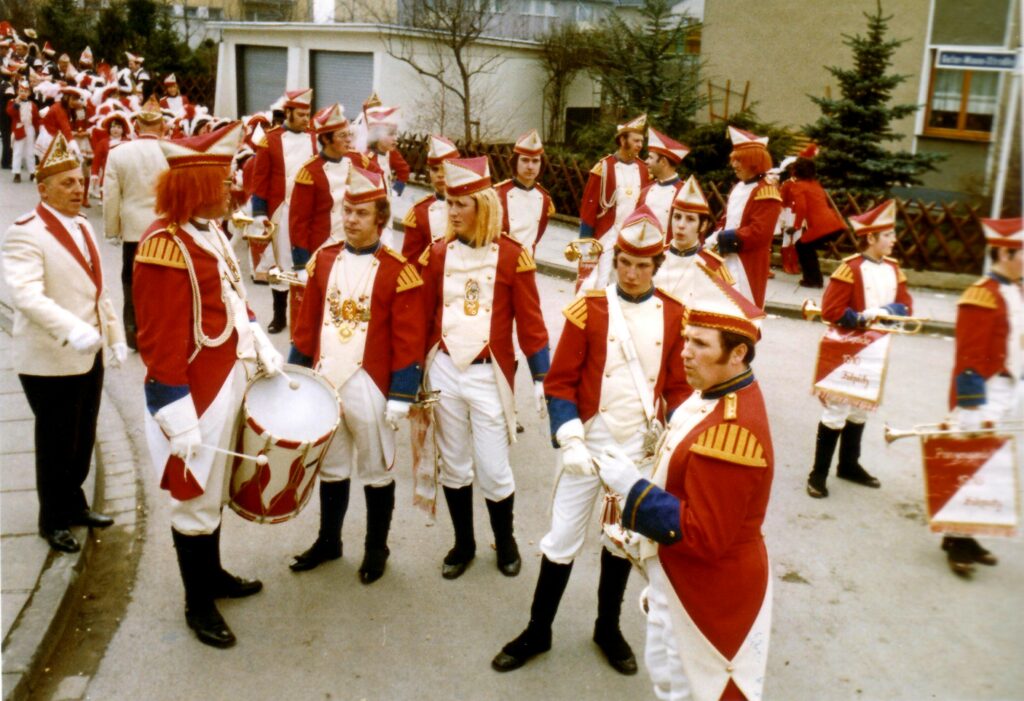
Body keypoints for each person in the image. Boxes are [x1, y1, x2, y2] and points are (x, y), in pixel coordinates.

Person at [492, 205, 690, 676]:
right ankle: (539, 630)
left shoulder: (675, 314)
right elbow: (560, 382)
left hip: (640, 448)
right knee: (561, 538)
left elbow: (679, 387)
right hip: (590, 444)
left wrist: (681, 431)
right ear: (614, 260)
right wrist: (570, 438)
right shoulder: (590, 308)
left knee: (620, 539)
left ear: (657, 265)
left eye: (644, 265)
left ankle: (607, 627)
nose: (634, 273)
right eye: (626, 262)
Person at [133, 122, 283, 649]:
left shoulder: (210, 231)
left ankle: (212, 575)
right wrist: (175, 415)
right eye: (221, 183)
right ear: (195, 187)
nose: (231, 190)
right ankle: (197, 603)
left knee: (214, 491)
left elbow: (231, 296)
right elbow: (157, 342)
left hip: (226, 381)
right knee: (193, 500)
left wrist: (257, 339)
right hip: (194, 395)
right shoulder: (163, 247)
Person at [595, 262, 773, 701]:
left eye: (700, 344)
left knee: (687, 691)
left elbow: (703, 535)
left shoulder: (732, 430)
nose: (685, 353)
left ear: (738, 354)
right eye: (687, 339)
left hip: (705, 597)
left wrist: (632, 488)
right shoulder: (713, 395)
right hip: (678, 582)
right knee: (667, 683)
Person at [287, 166, 426, 583]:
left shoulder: (400, 270)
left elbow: (408, 339)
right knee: (330, 467)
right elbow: (307, 325)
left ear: (380, 219)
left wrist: (402, 394)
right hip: (327, 376)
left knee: (376, 469)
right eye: (347, 211)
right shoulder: (323, 260)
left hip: (370, 382)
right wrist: (294, 376)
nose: (350, 220)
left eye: (361, 213)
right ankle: (330, 541)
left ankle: (375, 547)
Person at [419, 156, 550, 580]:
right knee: (454, 463)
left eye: (461, 204)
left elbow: (531, 322)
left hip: (487, 372)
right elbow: (422, 318)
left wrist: (541, 376)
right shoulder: (437, 253)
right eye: (449, 203)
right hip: (444, 368)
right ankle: (464, 542)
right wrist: (406, 382)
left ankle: (506, 539)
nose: (452, 211)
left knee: (494, 467)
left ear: (484, 206)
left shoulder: (513, 256)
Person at [2, 133, 124, 553]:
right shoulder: (26, 234)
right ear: (43, 189)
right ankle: (51, 520)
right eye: (67, 183)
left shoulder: (83, 225)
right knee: (56, 441)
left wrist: (115, 336)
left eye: (80, 180)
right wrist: (71, 329)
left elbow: (97, 290)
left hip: (89, 354)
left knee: (83, 436)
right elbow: (26, 296)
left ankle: (74, 503)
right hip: (49, 358)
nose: (79, 189)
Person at [807, 199, 913, 499]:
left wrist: (885, 310)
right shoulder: (850, 267)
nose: (894, 240)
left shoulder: (894, 269)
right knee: (837, 410)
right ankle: (818, 473)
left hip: (875, 348)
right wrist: (860, 318)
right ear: (871, 238)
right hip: (845, 348)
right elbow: (831, 309)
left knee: (860, 408)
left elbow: (906, 305)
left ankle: (849, 464)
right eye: (888, 235)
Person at [941, 217, 1023, 577]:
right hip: (984, 392)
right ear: (1005, 252)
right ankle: (956, 539)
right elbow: (969, 357)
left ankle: (965, 533)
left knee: (990, 466)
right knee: (970, 464)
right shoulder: (981, 294)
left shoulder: (1016, 291)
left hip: (1010, 388)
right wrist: (970, 407)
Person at [250, 88, 317, 333]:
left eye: (308, 114)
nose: (305, 119)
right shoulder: (270, 139)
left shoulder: (314, 139)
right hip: (282, 208)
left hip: (309, 210)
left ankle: (305, 314)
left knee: (308, 262)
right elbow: (260, 179)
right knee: (281, 263)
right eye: (300, 114)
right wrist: (260, 213)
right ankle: (280, 315)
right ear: (287, 113)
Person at [103, 97, 167, 350]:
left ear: (137, 126)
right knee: (163, 282)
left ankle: (134, 334)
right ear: (162, 126)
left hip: (133, 229)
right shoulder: (172, 151)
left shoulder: (118, 153)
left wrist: (111, 230)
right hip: (164, 226)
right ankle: (161, 333)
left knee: (132, 282)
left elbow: (111, 197)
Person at [706, 126, 783, 308]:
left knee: (742, 308)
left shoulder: (766, 192)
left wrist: (721, 238)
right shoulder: (739, 187)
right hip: (726, 258)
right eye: (734, 160)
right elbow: (727, 220)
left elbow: (759, 233)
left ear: (754, 161)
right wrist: (712, 238)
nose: (734, 165)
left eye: (739, 160)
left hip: (746, 264)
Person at [289, 103, 374, 265]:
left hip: (355, 247)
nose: (349, 140)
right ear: (326, 139)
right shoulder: (310, 172)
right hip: (322, 249)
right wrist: (301, 263)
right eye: (342, 136)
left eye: (349, 134)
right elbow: (299, 223)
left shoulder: (359, 162)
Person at [577, 114, 651, 290]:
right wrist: (585, 243)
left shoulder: (643, 170)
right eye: (636, 140)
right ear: (622, 140)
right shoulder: (603, 167)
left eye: (641, 141)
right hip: (605, 236)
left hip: (630, 238)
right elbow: (588, 208)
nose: (640, 145)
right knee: (598, 284)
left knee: (623, 286)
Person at [654, 175, 734, 306]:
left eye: (690, 219)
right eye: (677, 217)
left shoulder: (713, 267)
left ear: (702, 225)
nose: (681, 225)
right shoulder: (654, 257)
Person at [779, 145, 847, 288]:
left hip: (822, 226)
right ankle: (815, 279)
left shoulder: (798, 186)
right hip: (835, 224)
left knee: (802, 246)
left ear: (795, 171)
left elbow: (802, 208)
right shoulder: (815, 184)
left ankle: (812, 280)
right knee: (806, 246)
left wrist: (796, 226)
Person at [494, 129, 555, 252]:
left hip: (527, 263)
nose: (530, 167)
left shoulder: (544, 198)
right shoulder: (497, 193)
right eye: (525, 160)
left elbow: (536, 238)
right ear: (515, 161)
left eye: (535, 161)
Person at [400, 134, 459, 263]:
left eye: (445, 169)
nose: (440, 175)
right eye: (435, 169)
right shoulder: (419, 212)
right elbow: (411, 263)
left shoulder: (475, 205)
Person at [636, 127, 689, 234]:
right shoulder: (645, 191)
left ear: (663, 162)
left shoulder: (684, 192)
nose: (646, 161)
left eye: (650, 158)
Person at [6, 79, 38, 182]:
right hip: (19, 128)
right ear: (17, 92)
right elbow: (10, 113)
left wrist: (38, 130)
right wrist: (17, 103)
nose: (23, 93)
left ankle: (32, 172)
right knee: (17, 151)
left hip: (29, 129)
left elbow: (36, 118)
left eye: (25, 91)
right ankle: (17, 172)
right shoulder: (12, 102)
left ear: (29, 93)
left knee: (30, 152)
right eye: (21, 91)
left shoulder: (32, 104)